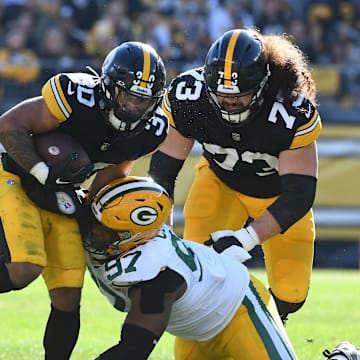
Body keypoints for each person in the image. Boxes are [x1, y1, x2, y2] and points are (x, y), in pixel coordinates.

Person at [0, 41, 168, 359]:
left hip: (60, 195)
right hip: (17, 177)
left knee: (67, 296)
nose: (133, 106)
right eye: (128, 95)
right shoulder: (75, 96)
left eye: (142, 100)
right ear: (108, 87)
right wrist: (41, 171)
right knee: (25, 268)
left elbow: (116, 170)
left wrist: (97, 209)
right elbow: (8, 125)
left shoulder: (151, 129)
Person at [148, 28, 322, 323]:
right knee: (198, 273)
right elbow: (163, 172)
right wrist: (161, 233)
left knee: (290, 295)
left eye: (239, 95)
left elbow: (299, 193)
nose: (229, 101)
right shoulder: (190, 97)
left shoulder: (289, 109)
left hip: (277, 195)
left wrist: (246, 238)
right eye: (221, 93)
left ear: (263, 83)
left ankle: (265, 330)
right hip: (220, 182)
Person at [82, 175, 298, 360]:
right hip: (193, 333)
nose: (93, 232)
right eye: (93, 221)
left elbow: (134, 350)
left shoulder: (158, 276)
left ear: (133, 236)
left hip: (238, 309)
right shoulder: (142, 242)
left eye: (104, 229)